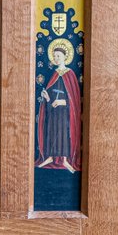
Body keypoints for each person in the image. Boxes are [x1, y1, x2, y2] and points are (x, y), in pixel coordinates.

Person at [36, 41, 81, 173]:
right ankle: (50, 157)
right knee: (51, 132)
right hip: (53, 112)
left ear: (65, 57)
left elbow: (74, 99)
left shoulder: (70, 74)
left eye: (58, 56)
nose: (56, 58)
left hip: (65, 113)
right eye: (54, 56)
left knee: (64, 133)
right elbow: (50, 96)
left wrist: (62, 102)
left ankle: (65, 160)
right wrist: (47, 97)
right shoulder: (54, 74)